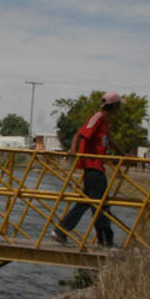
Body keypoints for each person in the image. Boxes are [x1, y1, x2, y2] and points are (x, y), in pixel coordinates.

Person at [54, 91, 124, 247]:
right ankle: (105, 240)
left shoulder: (104, 121)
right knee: (100, 205)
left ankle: (61, 230)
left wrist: (122, 153)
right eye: (119, 105)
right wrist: (73, 150)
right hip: (92, 166)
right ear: (114, 106)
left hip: (96, 166)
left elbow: (109, 140)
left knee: (88, 202)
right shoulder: (98, 117)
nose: (120, 109)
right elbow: (80, 134)